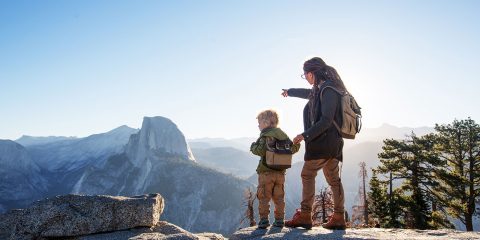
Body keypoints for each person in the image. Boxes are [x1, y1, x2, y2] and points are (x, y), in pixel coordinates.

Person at [282, 57, 347, 230]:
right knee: (334, 179)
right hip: (332, 143)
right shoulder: (323, 88)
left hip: (323, 143)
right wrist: (290, 91)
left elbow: (326, 120)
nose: (306, 78)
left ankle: (305, 216)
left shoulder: (327, 90)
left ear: (311, 73)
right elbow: (307, 94)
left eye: (305, 75)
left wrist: (305, 135)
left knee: (307, 174)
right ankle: (339, 217)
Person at [250, 109, 300, 229]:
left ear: (267, 123)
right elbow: (292, 149)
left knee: (263, 197)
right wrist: (297, 144)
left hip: (266, 172)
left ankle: (264, 221)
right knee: (279, 198)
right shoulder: (283, 136)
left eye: (260, 122)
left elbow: (261, 150)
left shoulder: (266, 136)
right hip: (280, 173)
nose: (258, 125)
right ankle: (279, 220)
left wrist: (253, 147)